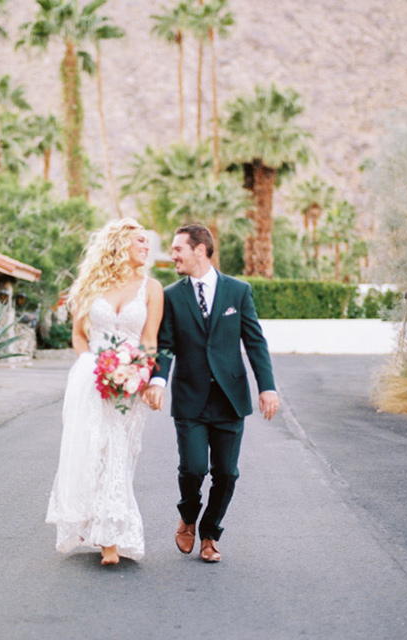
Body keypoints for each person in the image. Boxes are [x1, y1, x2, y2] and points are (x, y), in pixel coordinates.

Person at [143, 223, 279, 563]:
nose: (172, 255)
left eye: (178, 249)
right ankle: (188, 515)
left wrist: (267, 387)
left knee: (227, 474)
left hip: (230, 399)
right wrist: (158, 381)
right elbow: (166, 344)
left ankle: (210, 534)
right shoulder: (172, 295)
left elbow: (254, 341)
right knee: (192, 469)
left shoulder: (238, 291)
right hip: (190, 397)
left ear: (199, 250)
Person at [46, 218, 164, 566]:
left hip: (129, 383)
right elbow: (79, 337)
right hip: (89, 379)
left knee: (118, 453)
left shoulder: (151, 288)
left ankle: (111, 535)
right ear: (119, 245)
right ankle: (92, 526)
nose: (146, 246)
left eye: (147, 241)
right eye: (140, 240)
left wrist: (138, 374)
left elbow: (149, 340)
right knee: (89, 450)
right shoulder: (90, 286)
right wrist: (93, 369)